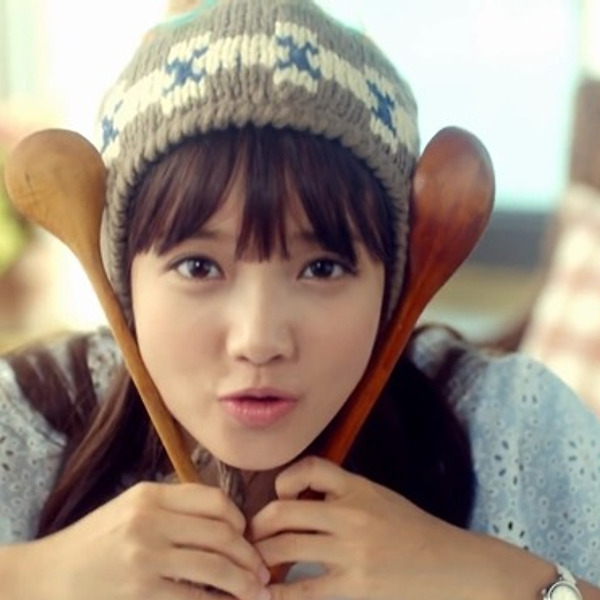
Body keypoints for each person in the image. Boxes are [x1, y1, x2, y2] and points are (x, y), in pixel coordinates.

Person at [0, 1, 599, 599]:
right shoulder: (24, 422)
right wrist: (33, 577)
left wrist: (500, 580)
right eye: (199, 266)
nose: (259, 340)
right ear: (124, 280)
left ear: (391, 284)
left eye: (322, 267)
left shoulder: (514, 424)